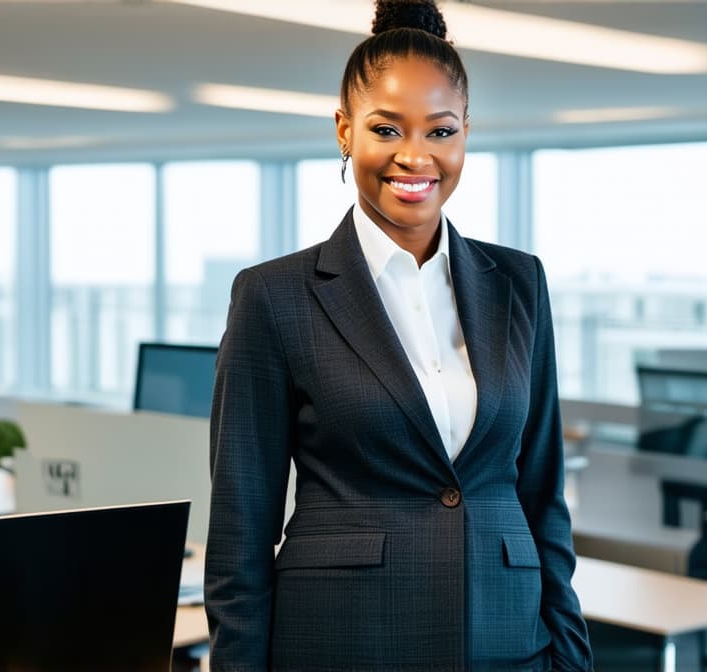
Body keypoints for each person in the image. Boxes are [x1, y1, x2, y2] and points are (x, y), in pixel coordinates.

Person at [204, 1, 593, 670]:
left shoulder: (519, 283)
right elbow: (241, 531)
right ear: (344, 131)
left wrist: (570, 654)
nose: (415, 156)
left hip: (509, 645)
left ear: (466, 131)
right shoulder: (275, 296)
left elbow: (542, 496)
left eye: (441, 131)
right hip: (345, 645)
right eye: (387, 128)